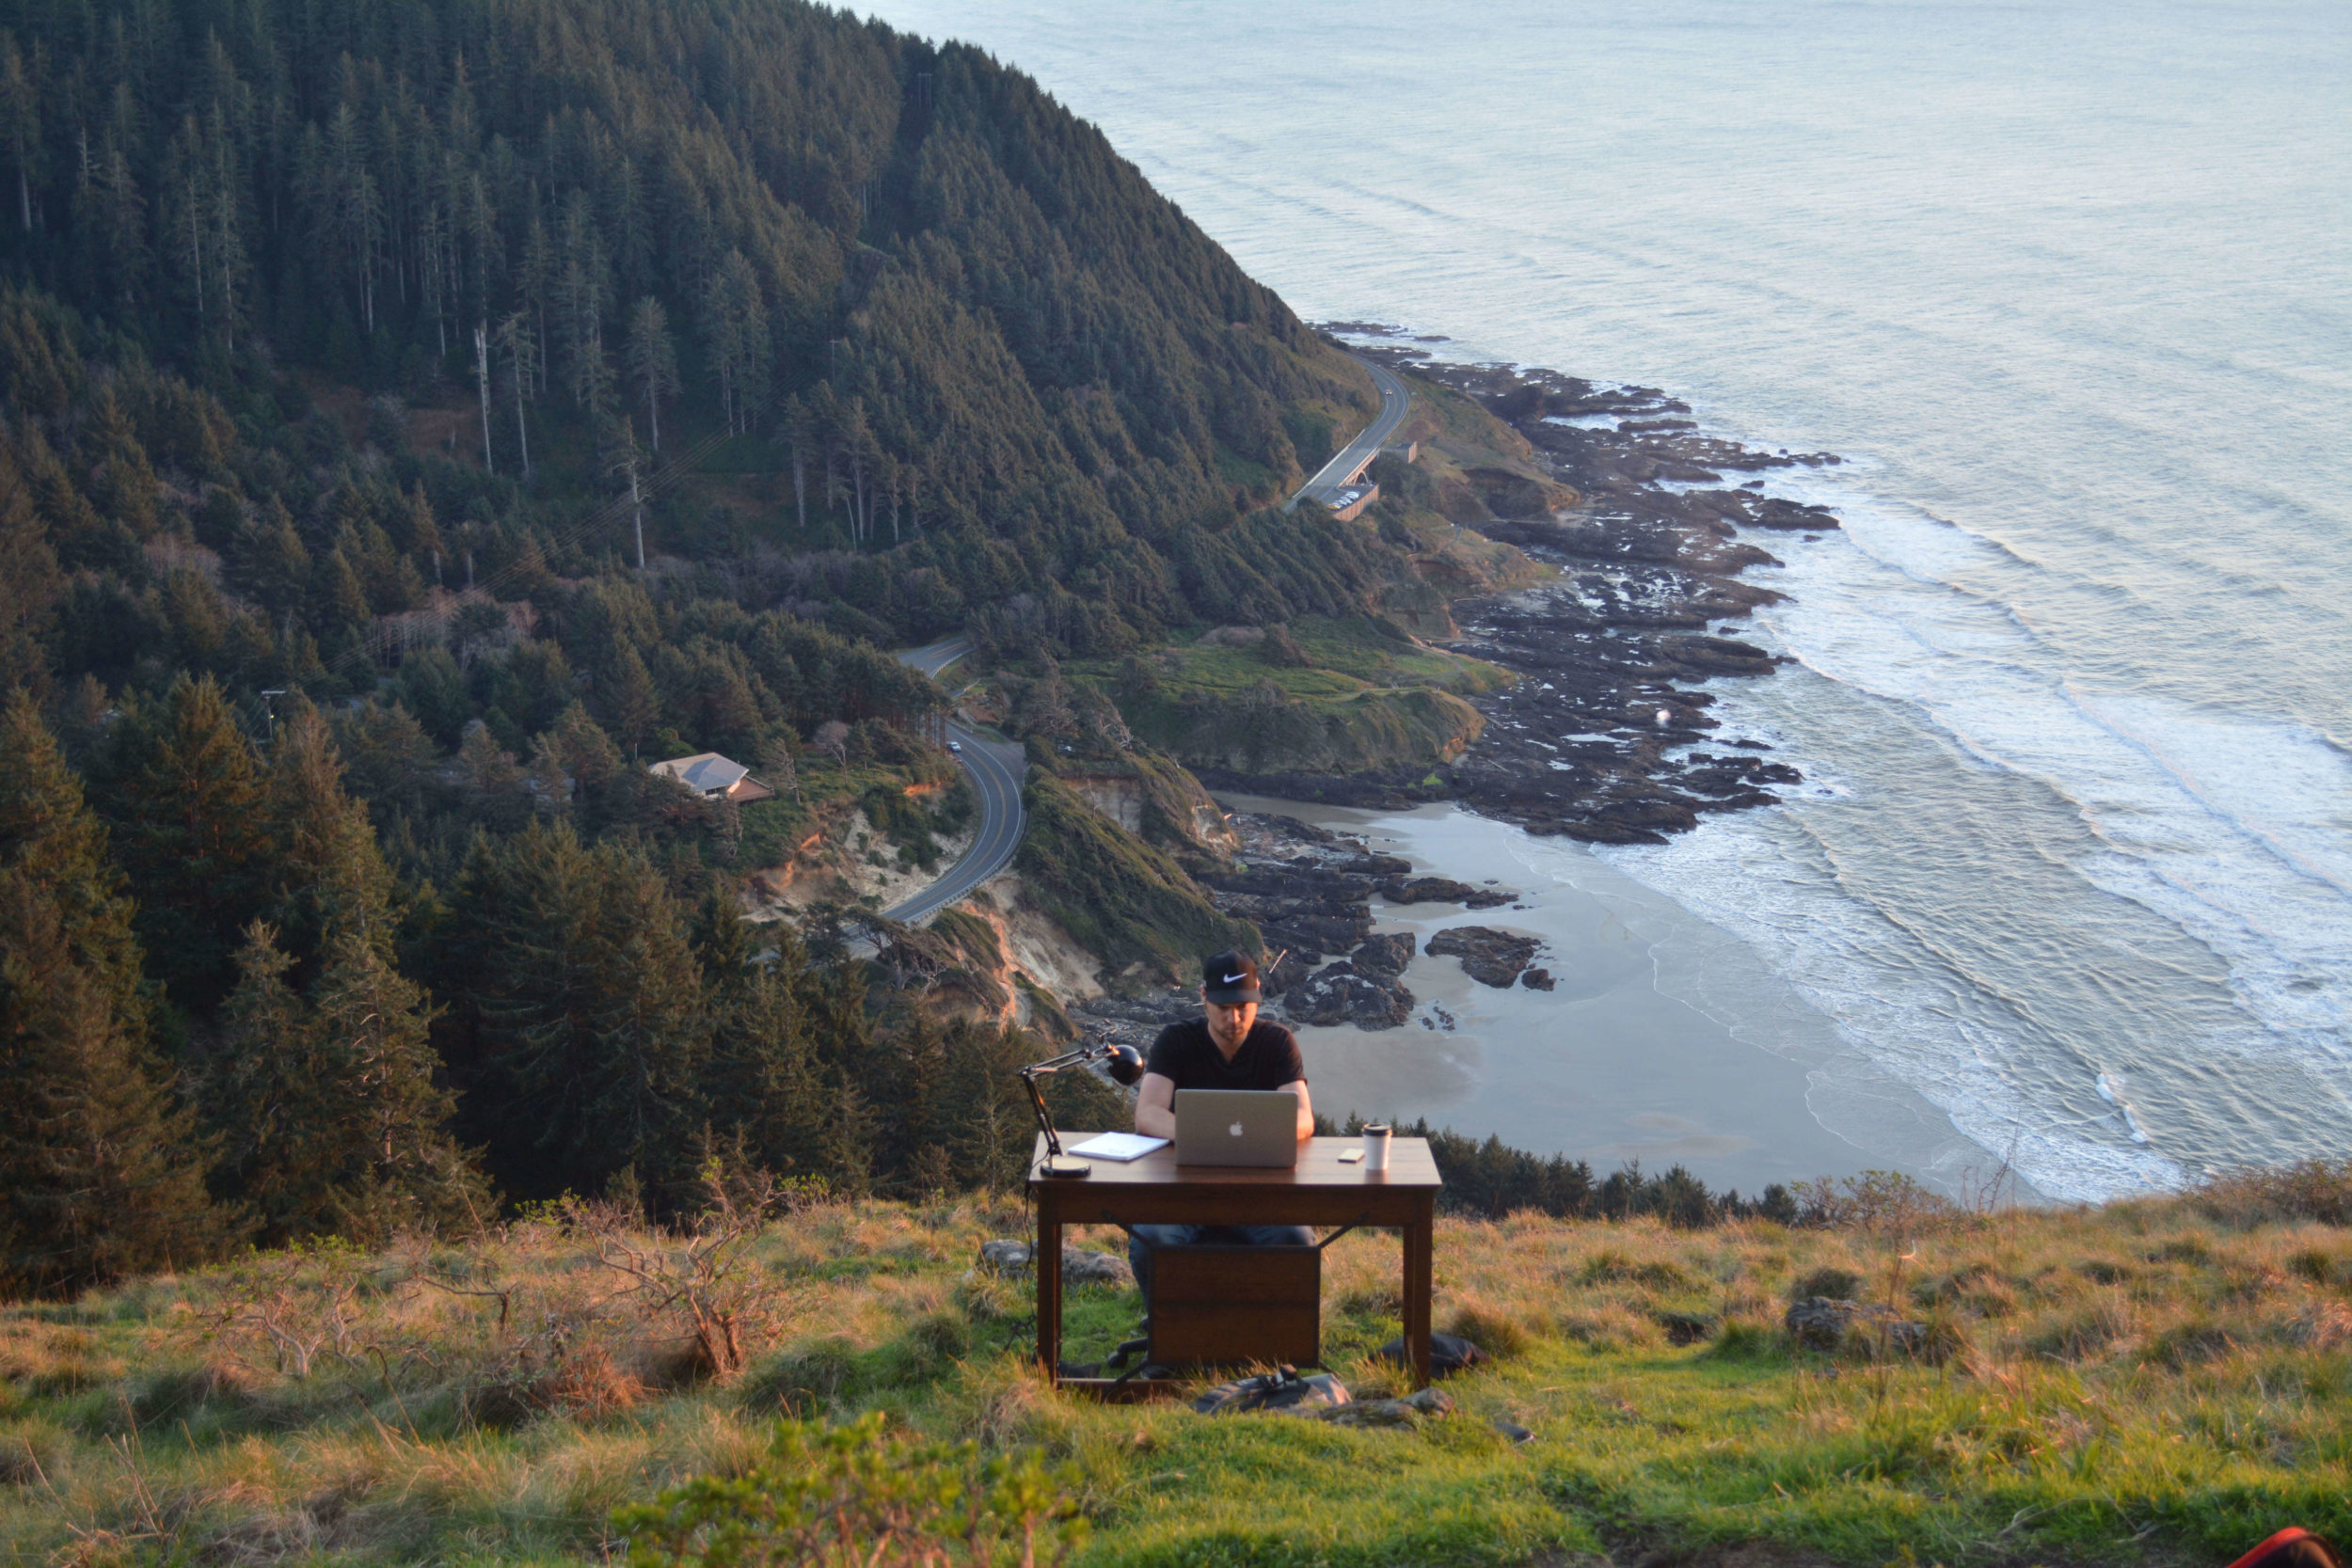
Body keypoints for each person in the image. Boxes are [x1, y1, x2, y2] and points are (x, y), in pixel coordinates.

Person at [1126, 949, 1315, 1309]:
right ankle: (1169, 1341)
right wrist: (1208, 1136)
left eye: (1243, 1006)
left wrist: (1258, 1136)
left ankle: (1275, 1344)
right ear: (1203, 997)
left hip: (1259, 1192)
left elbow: (1304, 1118)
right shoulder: (1176, 1040)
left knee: (1295, 1239)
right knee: (1151, 1238)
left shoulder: (1277, 1042)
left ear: (1258, 993)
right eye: (1223, 1007)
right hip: (1183, 1190)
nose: (1234, 1018)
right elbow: (1147, 1114)